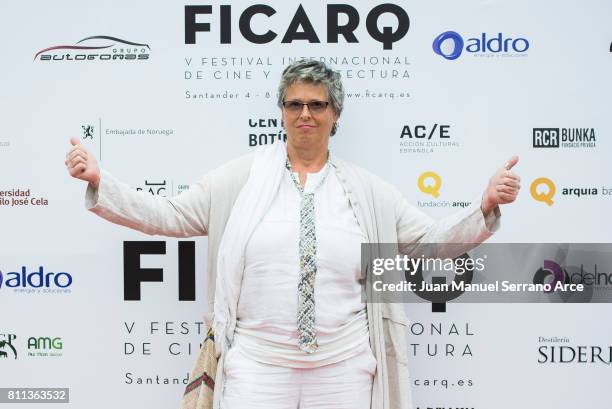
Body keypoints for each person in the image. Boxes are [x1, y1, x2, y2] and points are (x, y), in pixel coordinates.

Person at [65, 60, 520, 409]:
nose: (305, 113)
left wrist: (483, 209)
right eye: (294, 104)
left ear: (335, 113)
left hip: (342, 368)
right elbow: (168, 215)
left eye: (317, 104)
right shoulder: (239, 179)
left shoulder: (367, 190)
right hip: (257, 367)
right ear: (281, 111)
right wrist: (101, 182)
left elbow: (428, 245)